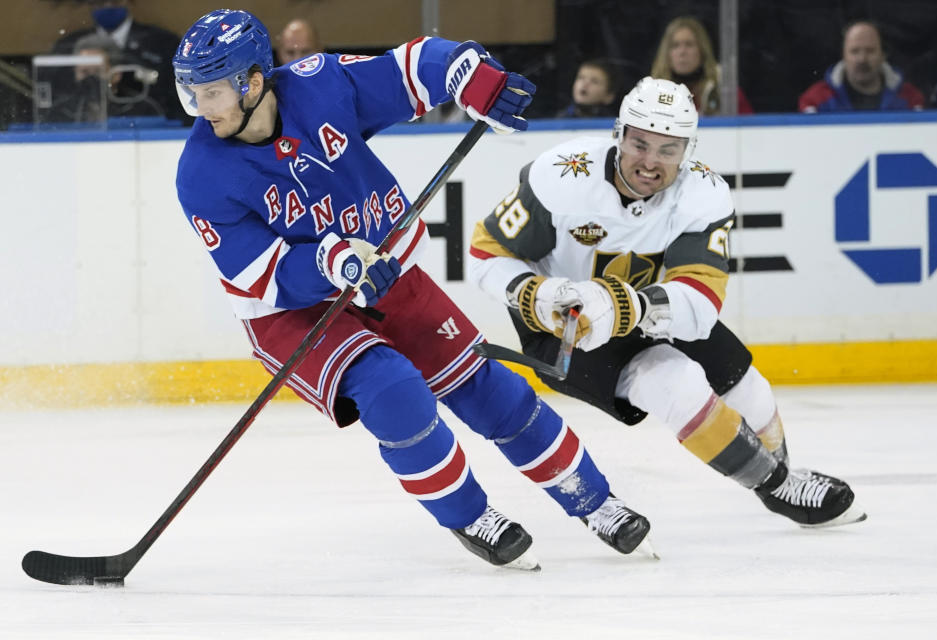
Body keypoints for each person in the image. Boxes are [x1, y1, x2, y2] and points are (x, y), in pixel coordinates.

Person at [173, 9, 653, 571]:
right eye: (193, 95)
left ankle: (594, 500)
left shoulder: (320, 84)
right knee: (395, 392)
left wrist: (466, 75)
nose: (202, 111)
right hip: (291, 311)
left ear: (252, 82)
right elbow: (262, 275)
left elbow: (410, 69)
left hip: (383, 274)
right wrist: (334, 261)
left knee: (491, 393)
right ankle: (470, 515)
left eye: (210, 93)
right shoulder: (200, 174)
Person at [467, 76, 867, 532]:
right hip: (563, 332)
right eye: (639, 144)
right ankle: (778, 487)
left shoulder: (703, 195)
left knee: (748, 388)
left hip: (650, 313)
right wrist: (535, 294)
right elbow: (485, 253)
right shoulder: (560, 175)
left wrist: (623, 307)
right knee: (674, 381)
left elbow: (700, 302)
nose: (650, 162)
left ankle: (778, 478)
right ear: (618, 134)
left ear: (688, 151)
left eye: (668, 149)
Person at [53, 0, 188, 124]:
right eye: (100, 2)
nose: (108, 6)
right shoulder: (67, 45)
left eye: (114, 2)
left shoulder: (164, 43)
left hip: (146, 125)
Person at [798, 21, 924, 113]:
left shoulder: (910, 98)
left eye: (870, 51)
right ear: (843, 55)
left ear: (883, 54)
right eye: (854, 51)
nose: (862, 59)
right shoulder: (815, 99)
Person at [650, 16, 753, 115]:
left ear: (702, 50)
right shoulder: (651, 94)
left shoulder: (724, 91)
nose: (682, 52)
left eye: (689, 44)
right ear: (666, 53)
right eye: (675, 45)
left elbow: (748, 130)